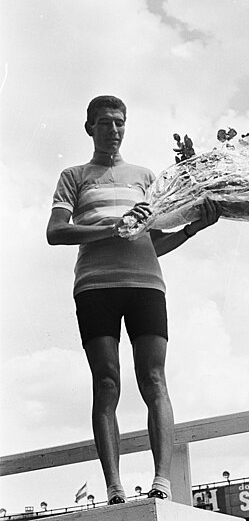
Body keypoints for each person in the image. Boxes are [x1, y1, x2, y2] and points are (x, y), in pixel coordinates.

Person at [46, 95, 221, 505]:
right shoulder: (73, 176)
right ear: (89, 127)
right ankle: (114, 487)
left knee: (154, 379)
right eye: (104, 122)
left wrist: (195, 228)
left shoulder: (146, 177)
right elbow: (56, 231)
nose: (114, 129)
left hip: (146, 284)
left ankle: (162, 480)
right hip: (95, 286)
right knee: (106, 383)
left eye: (120, 122)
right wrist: (106, 228)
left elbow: (152, 242)